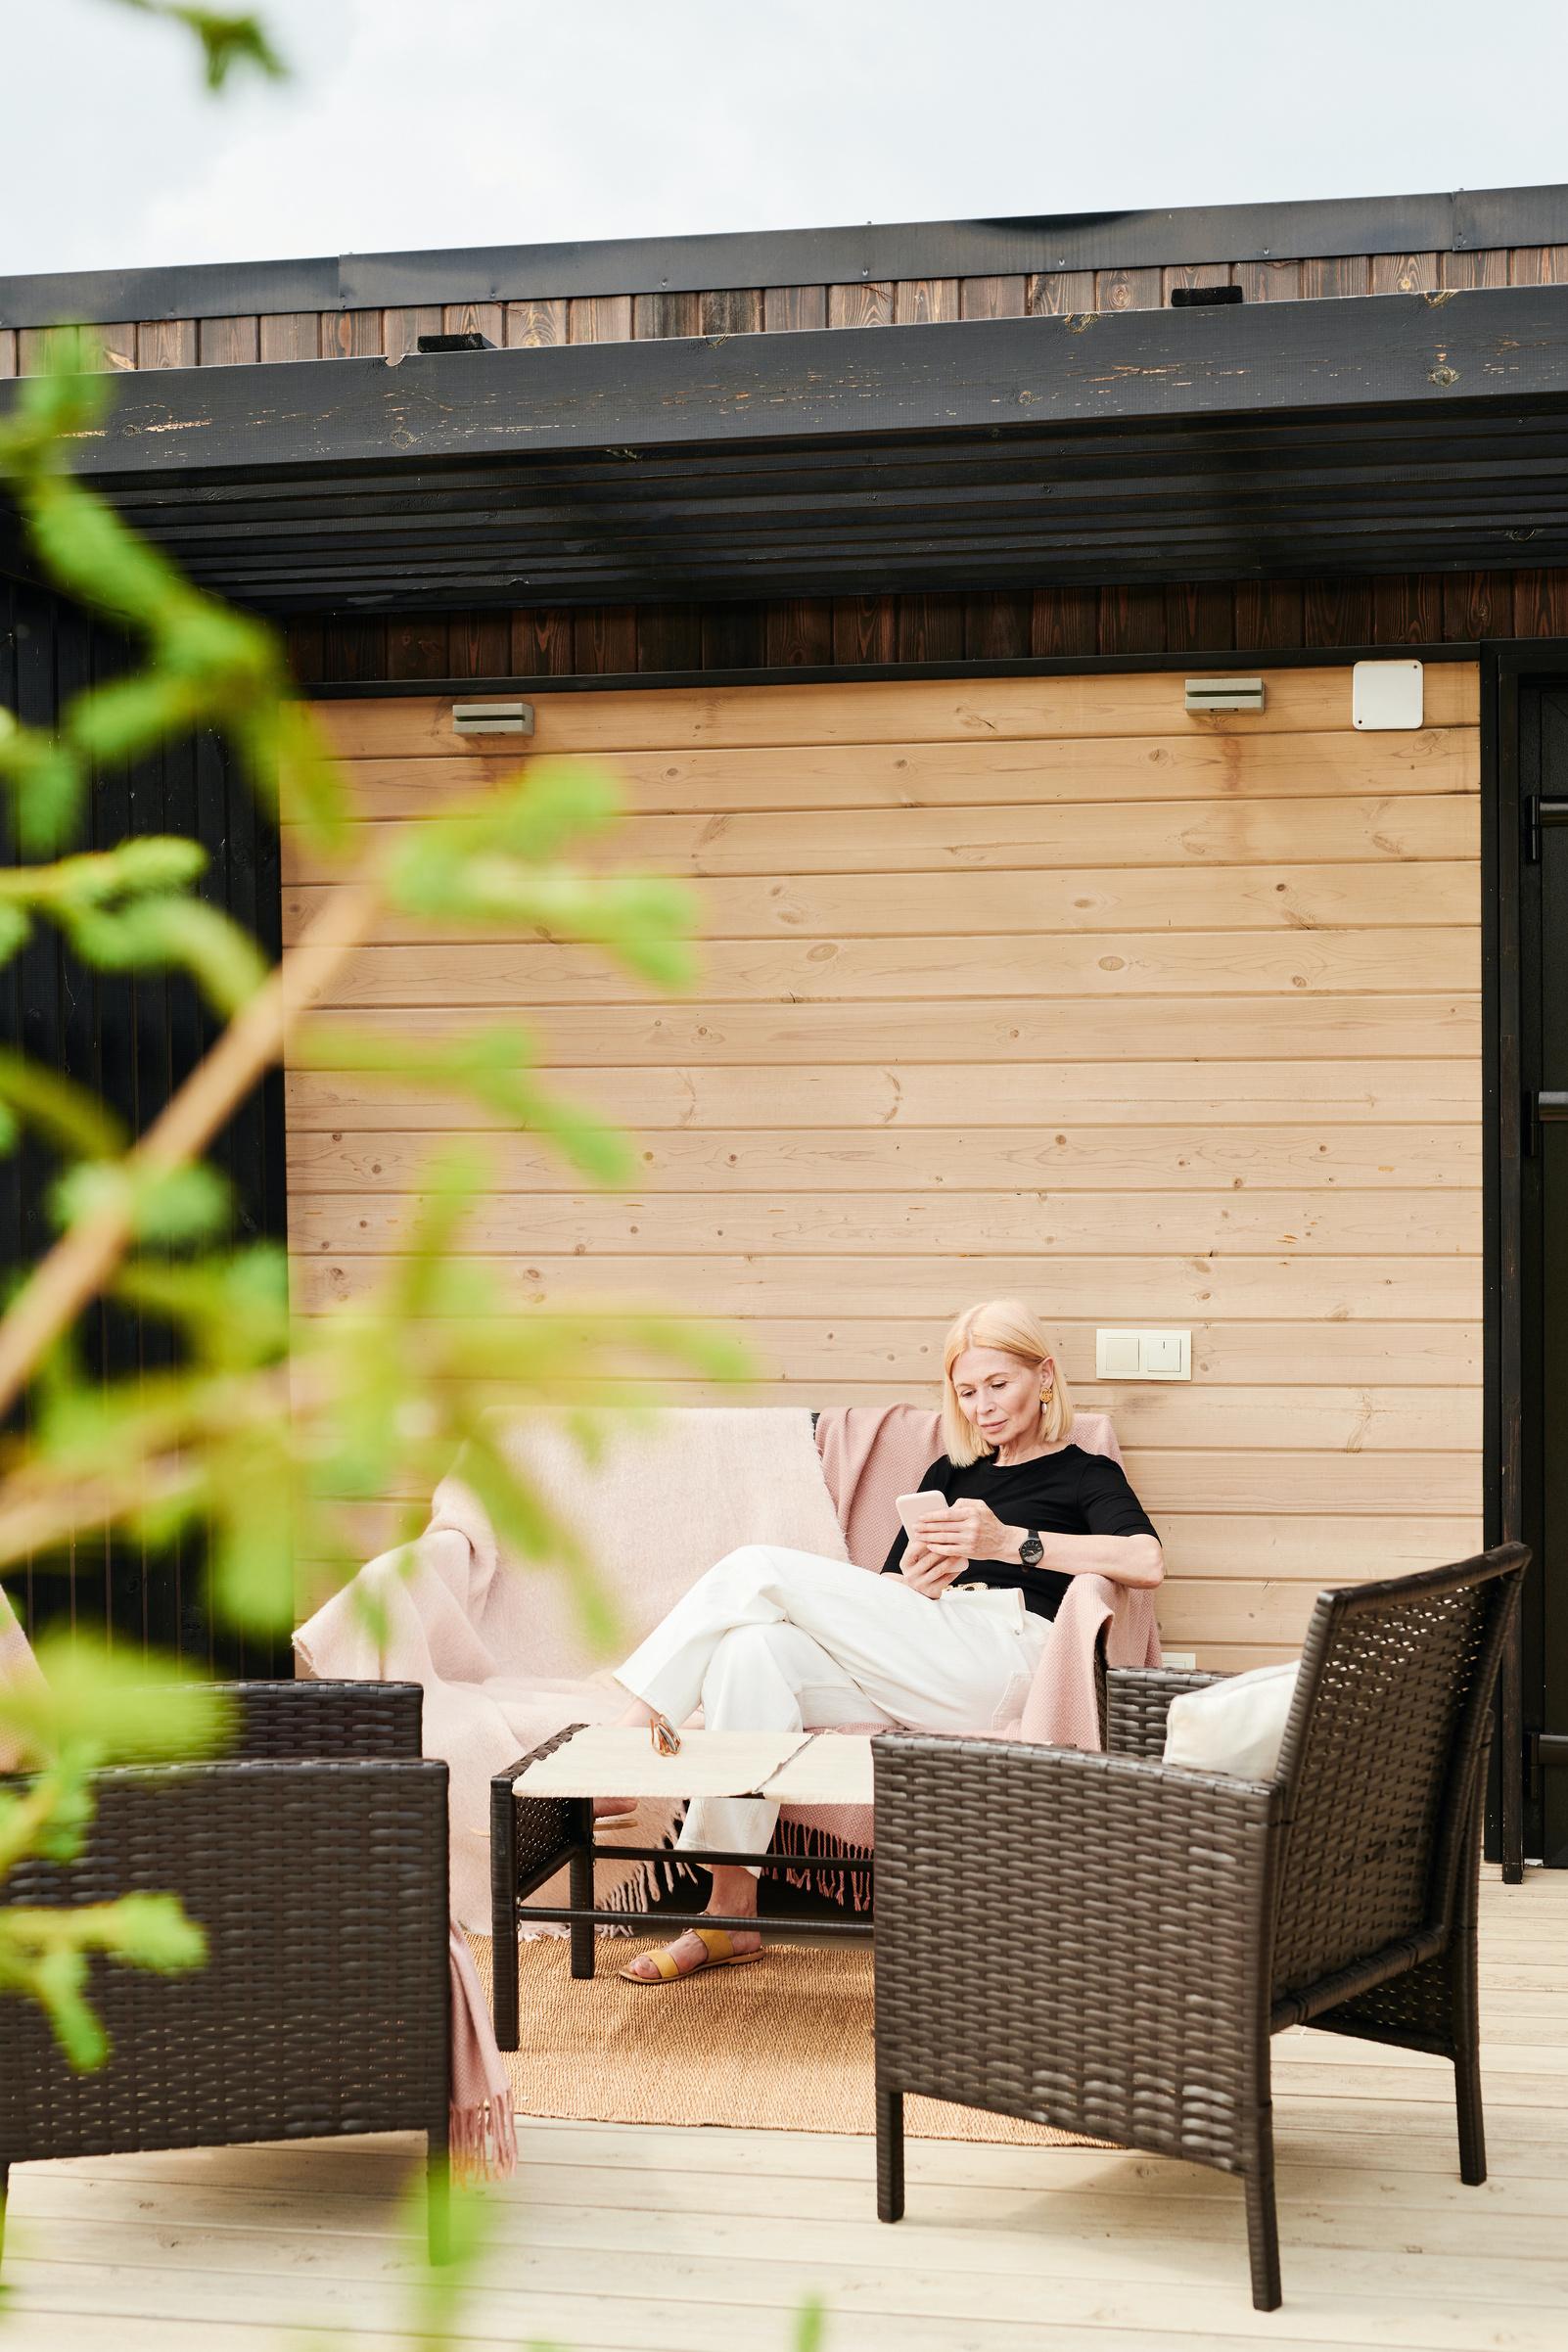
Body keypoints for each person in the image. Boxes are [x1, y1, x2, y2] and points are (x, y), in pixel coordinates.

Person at [608, 1297, 1163, 1985]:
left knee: (755, 1566)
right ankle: (731, 1914)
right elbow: (882, 1599)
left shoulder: (1084, 1472)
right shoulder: (949, 1474)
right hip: (929, 1649)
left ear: (1044, 1376)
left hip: (1006, 1656)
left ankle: (622, 1751)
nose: (984, 1406)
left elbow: (1146, 1560)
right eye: (968, 1392)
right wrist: (911, 1584)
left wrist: (1011, 1543)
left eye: (999, 1384)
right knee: (747, 1651)